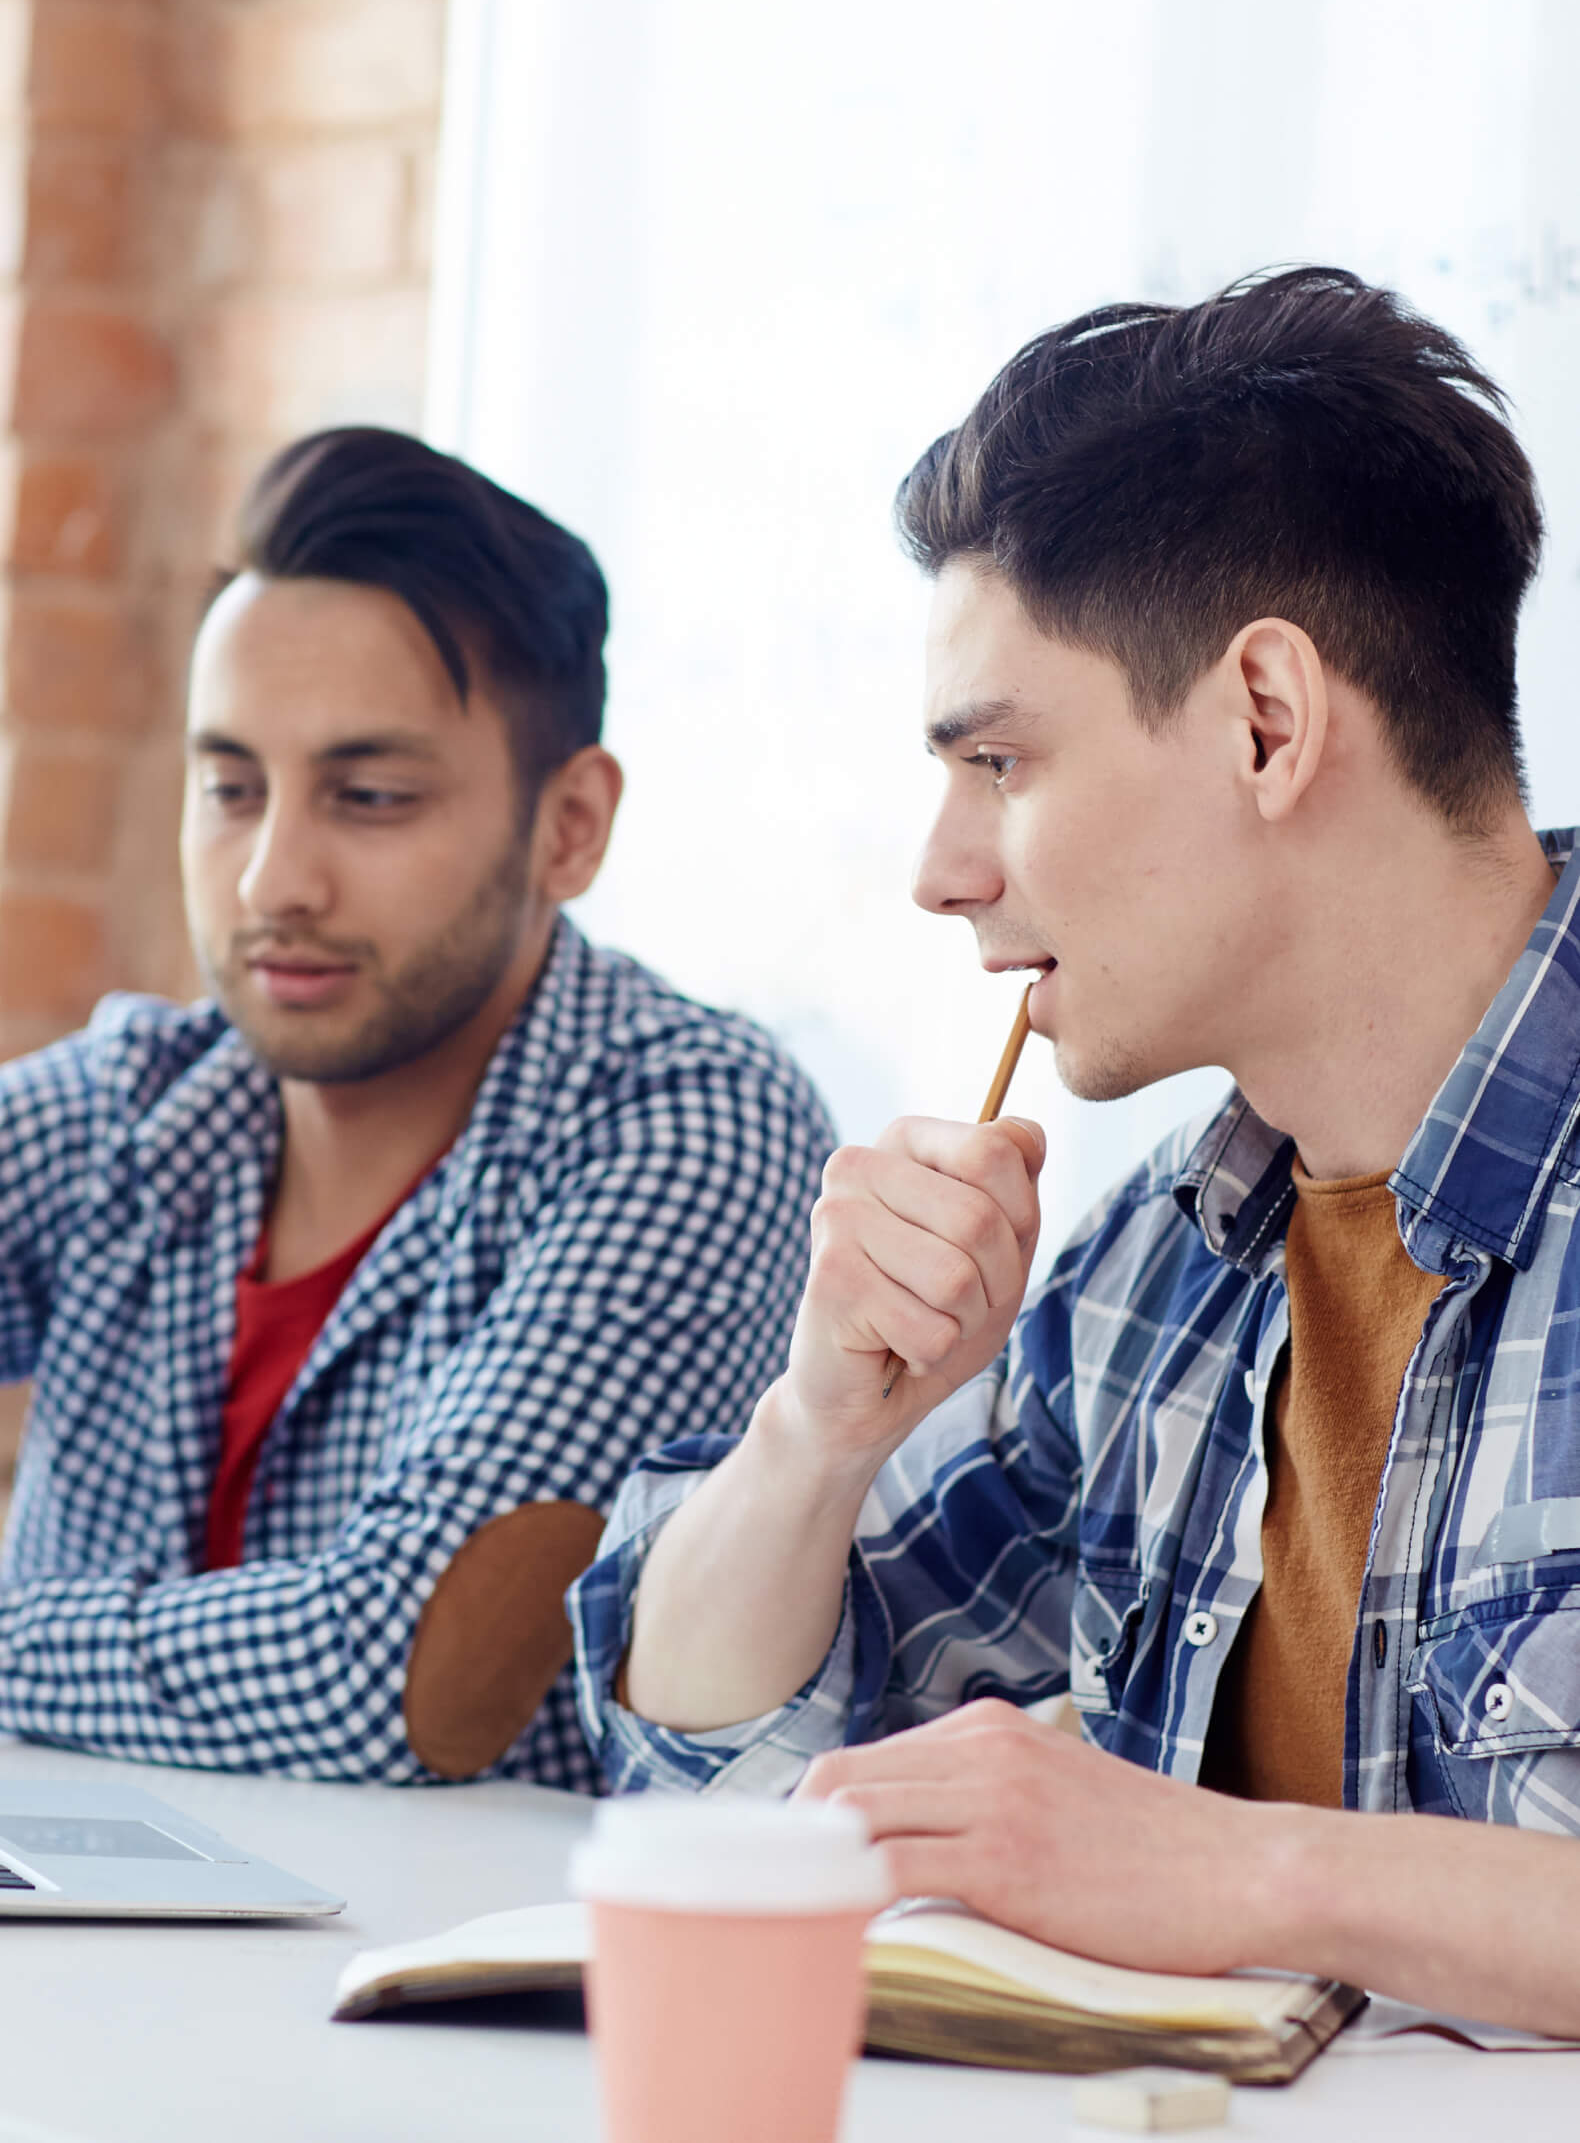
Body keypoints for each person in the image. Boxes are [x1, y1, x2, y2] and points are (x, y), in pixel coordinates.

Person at [572, 268, 1580, 2029]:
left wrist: (1237, 1872)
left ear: (1269, 718)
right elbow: (706, 1752)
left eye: (1001, 760)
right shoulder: (1161, 1269)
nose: (942, 868)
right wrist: (819, 1432)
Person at [0, 427, 833, 1790]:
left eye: (372, 798)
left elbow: (390, 1674)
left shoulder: (688, 1122)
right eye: (229, 788)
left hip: (439, 1981)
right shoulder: (139, 1106)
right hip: (52, 1948)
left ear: (568, 825)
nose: (273, 877)